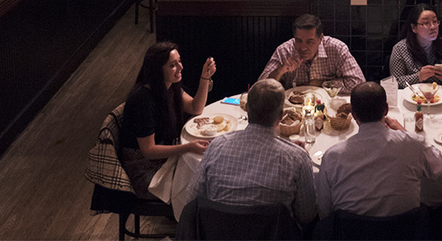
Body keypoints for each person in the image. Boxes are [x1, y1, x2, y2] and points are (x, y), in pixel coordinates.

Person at [185, 78, 316, 225]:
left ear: (246, 109)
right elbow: (307, 216)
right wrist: (292, 151)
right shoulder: (297, 158)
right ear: (280, 115)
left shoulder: (216, 146)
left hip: (219, 233)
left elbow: (192, 200)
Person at [316, 82, 442, 219]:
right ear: (386, 110)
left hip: (351, 233)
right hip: (405, 232)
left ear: (353, 115)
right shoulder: (413, 144)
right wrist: (403, 132)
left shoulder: (332, 156)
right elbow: (441, 167)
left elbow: (325, 211)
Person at [120, 42, 216, 199]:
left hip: (163, 159)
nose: (180, 67)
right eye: (173, 65)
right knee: (202, 187)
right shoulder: (143, 100)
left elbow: (195, 107)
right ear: (158, 69)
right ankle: (189, 220)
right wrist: (187, 147)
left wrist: (205, 77)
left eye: (179, 61)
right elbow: (149, 151)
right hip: (145, 170)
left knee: (208, 176)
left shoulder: (170, 86)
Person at [258, 14, 365, 94]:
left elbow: (358, 83)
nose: (303, 47)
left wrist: (322, 83)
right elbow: (260, 88)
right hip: (292, 108)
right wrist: (280, 70)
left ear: (320, 39)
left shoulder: (337, 49)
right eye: (299, 41)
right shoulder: (284, 51)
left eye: (310, 42)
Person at [389, 4, 442, 89]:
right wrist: (418, 77)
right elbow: (395, 82)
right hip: (414, 97)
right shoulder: (400, 49)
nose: (433, 27)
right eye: (426, 23)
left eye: (435, 21)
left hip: (441, 96)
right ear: (414, 28)